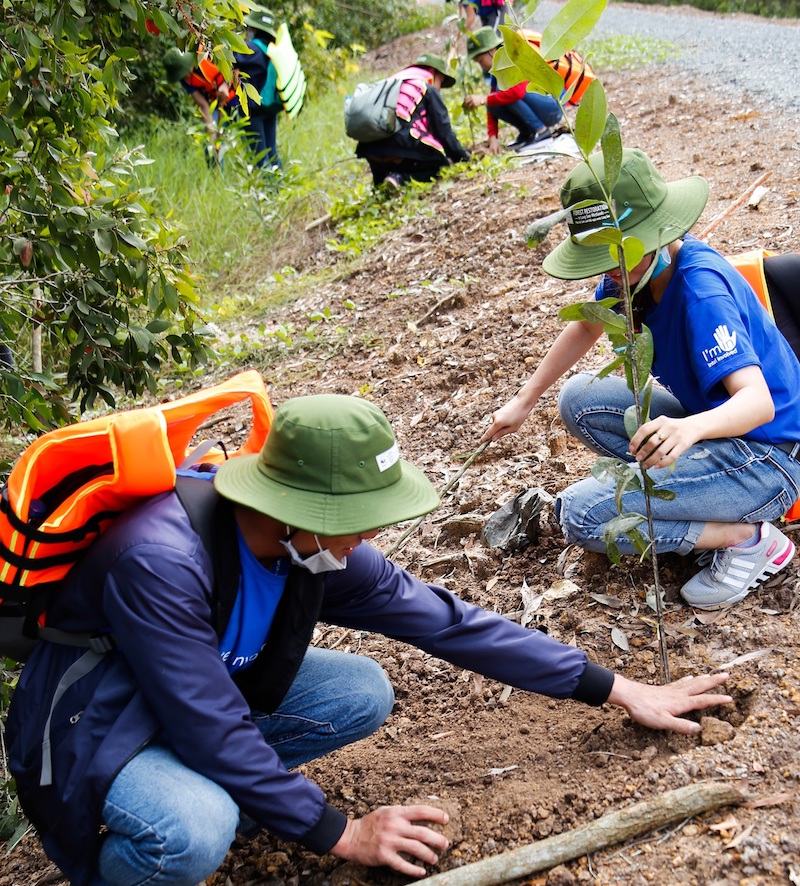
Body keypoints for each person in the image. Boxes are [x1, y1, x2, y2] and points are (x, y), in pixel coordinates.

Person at [7, 393, 732, 886]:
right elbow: (210, 725)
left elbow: (448, 622)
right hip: (99, 723)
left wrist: (615, 687)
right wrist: (339, 833)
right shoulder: (161, 561)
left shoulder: (314, 549)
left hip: (200, 701)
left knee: (360, 690)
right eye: (363, 516)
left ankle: (224, 795)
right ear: (297, 507)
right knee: (195, 830)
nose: (374, 536)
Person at [482, 148, 800, 610]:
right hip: (712, 428)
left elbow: (758, 403)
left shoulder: (699, 293)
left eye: (617, 257)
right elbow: (589, 324)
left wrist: (687, 429)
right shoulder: (633, 271)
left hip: (765, 459)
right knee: (580, 398)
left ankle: (747, 540)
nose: (609, 271)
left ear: (656, 231)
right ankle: (677, 499)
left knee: (582, 515)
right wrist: (524, 401)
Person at [355, 54, 470, 191]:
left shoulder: (391, 84)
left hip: (369, 148)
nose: (439, 88)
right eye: (441, 81)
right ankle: (400, 179)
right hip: (399, 145)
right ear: (433, 73)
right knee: (440, 165)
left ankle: (381, 186)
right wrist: (462, 157)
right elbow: (443, 130)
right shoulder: (426, 87)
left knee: (385, 154)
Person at [464, 27, 565, 153]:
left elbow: (518, 92)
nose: (481, 66)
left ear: (491, 50)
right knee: (493, 101)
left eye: (480, 60)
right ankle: (528, 133)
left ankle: (542, 132)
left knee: (506, 94)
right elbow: (492, 101)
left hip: (553, 106)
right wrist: (492, 137)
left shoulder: (512, 58)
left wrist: (484, 99)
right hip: (539, 105)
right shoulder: (497, 70)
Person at [163, 46, 239, 162]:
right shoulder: (184, 79)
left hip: (239, 97)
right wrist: (212, 139)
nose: (187, 75)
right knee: (210, 145)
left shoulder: (207, 53)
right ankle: (215, 174)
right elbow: (203, 105)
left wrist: (225, 84)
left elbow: (236, 63)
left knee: (248, 139)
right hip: (218, 101)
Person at [233, 7, 284, 170]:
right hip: (270, 107)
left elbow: (228, 58)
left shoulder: (251, 48)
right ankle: (279, 187)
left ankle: (268, 192)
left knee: (259, 157)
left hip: (253, 111)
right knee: (272, 151)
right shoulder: (273, 49)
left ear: (254, 29)